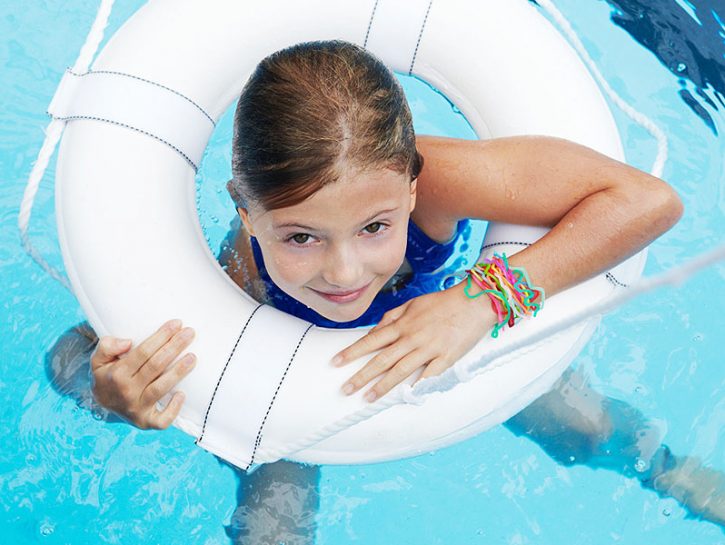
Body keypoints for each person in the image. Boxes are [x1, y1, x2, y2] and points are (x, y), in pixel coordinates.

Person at [49, 40, 724, 543]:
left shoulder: (436, 180)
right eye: (300, 238)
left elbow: (646, 201)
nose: (343, 273)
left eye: (375, 227)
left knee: (586, 424)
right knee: (272, 527)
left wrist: (479, 300)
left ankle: (670, 470)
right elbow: (70, 359)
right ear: (245, 210)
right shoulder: (226, 278)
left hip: (451, 339)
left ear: (411, 185)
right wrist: (112, 396)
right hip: (286, 390)